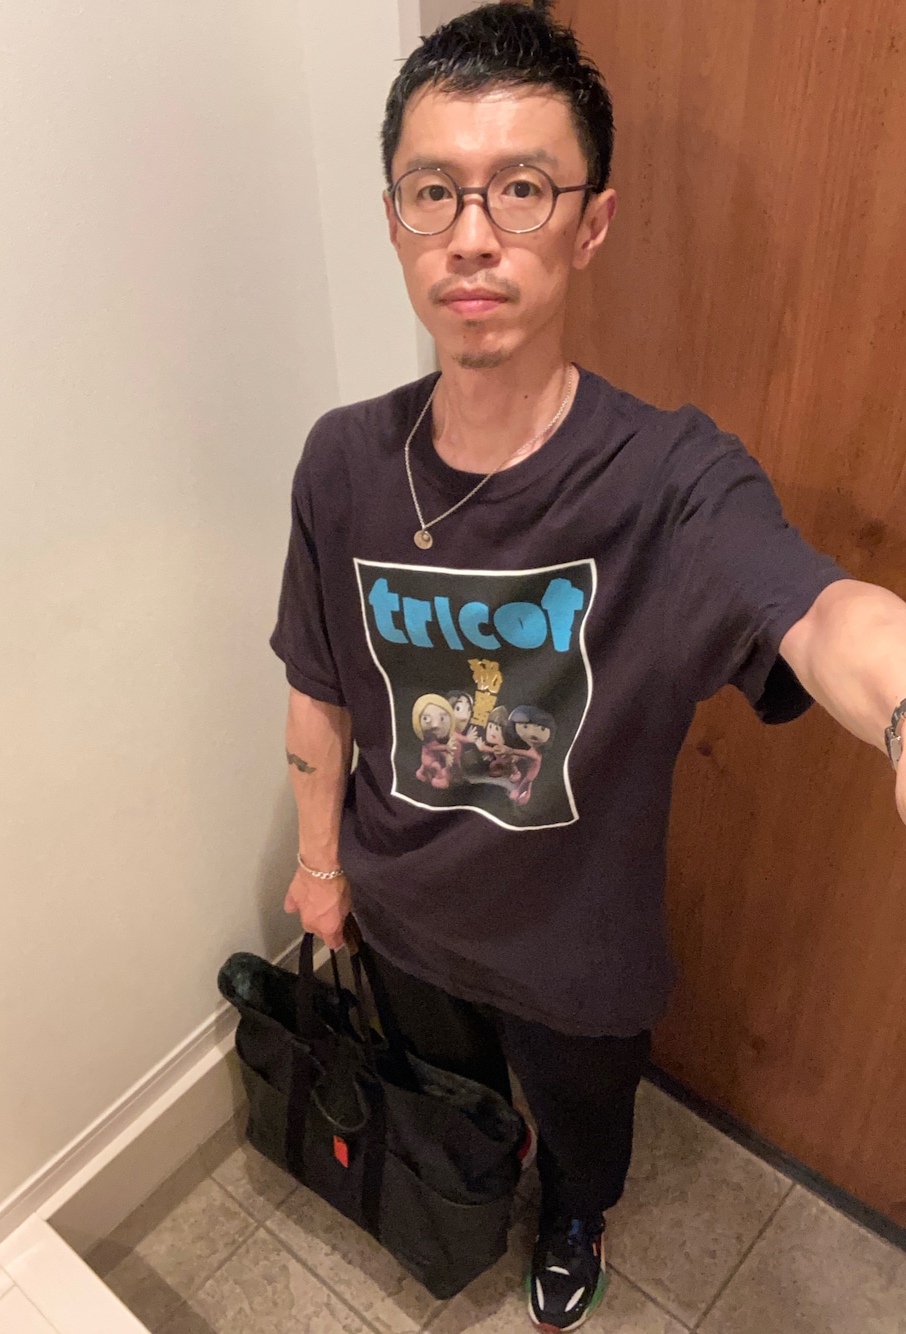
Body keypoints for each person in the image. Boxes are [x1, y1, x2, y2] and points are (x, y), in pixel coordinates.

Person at [270, 4, 906, 1328]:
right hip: (406, 910)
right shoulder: (342, 460)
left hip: (579, 951)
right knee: (452, 1101)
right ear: (394, 220)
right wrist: (322, 865)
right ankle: (475, 1181)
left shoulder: (670, 481)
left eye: (522, 189)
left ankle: (570, 1216)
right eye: (434, 191)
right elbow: (321, 683)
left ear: (591, 223)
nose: (473, 234)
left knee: (582, 1132)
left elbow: (820, 612)